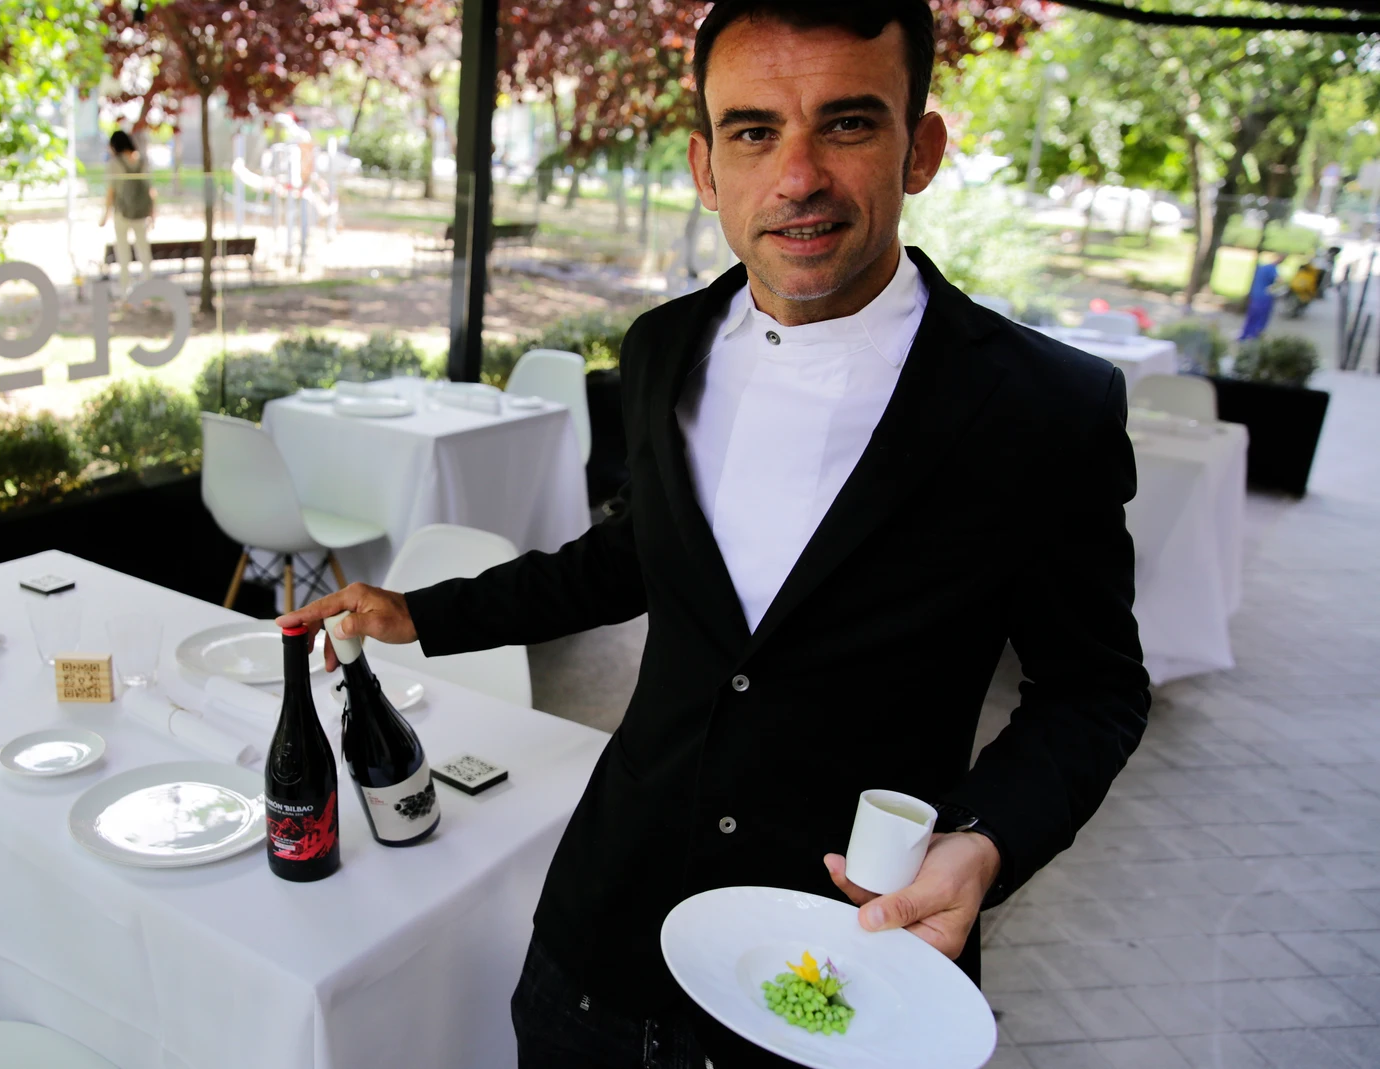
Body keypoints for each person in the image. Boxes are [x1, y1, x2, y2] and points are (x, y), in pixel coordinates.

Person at [277, 2, 1150, 1067]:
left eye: (846, 124)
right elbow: (636, 553)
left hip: (845, 963)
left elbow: (1093, 691)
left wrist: (981, 842)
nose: (796, 177)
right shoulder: (660, 349)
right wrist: (423, 611)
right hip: (603, 937)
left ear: (919, 148)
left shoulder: (1042, 407)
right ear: (704, 163)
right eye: (752, 131)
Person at [101, 130, 155, 289]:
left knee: (123, 253)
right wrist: (153, 214)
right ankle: (148, 289)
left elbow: (111, 191)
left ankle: (125, 290)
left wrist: (105, 214)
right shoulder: (143, 161)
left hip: (122, 213)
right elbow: (150, 190)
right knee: (144, 252)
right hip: (141, 213)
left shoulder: (114, 163)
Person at [1240, 250, 1283, 340]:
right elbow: (1280, 282)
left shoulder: (1261, 267)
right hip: (1264, 298)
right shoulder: (1272, 269)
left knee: (1251, 318)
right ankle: (1253, 338)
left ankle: (1244, 336)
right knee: (1260, 320)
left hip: (1255, 296)